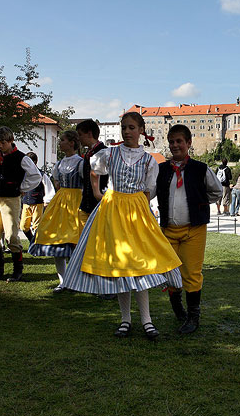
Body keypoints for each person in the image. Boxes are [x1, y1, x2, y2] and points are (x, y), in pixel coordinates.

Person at [62, 112, 182, 340]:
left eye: (131, 127)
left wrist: (144, 214)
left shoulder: (147, 159)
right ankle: (125, 319)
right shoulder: (110, 153)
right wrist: (98, 193)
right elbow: (94, 170)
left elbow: (148, 191)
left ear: (140, 130)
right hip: (113, 211)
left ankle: (147, 321)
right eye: (124, 127)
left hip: (136, 213)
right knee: (120, 267)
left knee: (141, 266)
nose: (127, 131)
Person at [156, 124, 222, 334]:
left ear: (188, 143)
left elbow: (217, 192)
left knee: (192, 273)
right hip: (168, 229)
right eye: (172, 142)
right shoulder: (162, 170)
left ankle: (194, 317)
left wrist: (199, 203)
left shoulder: (201, 169)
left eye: (179, 141)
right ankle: (178, 310)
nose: (175, 145)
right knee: (171, 272)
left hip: (194, 229)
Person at [28, 131, 84, 292]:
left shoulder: (81, 163)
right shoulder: (59, 164)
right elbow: (57, 184)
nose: (60, 143)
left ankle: (76, 281)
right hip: (61, 204)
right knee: (57, 242)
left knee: (75, 243)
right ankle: (63, 281)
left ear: (72, 143)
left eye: (63, 140)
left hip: (76, 203)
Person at [0, 126, 42, 282]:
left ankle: (18, 270)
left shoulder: (21, 158)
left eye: (3, 142)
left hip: (12, 199)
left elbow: (36, 176)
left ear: (10, 141)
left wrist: (21, 187)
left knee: (11, 235)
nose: (1, 145)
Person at [75, 119, 109, 229]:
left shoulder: (105, 153)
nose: (79, 138)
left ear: (89, 133)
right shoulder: (88, 153)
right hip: (86, 204)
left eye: (80, 134)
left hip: (99, 204)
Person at [19, 152, 48, 245]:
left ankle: (37, 245)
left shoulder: (41, 174)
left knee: (36, 226)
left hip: (37, 202)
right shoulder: (23, 175)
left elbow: (48, 187)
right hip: (26, 202)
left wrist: (47, 200)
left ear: (35, 162)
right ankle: (32, 241)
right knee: (23, 226)